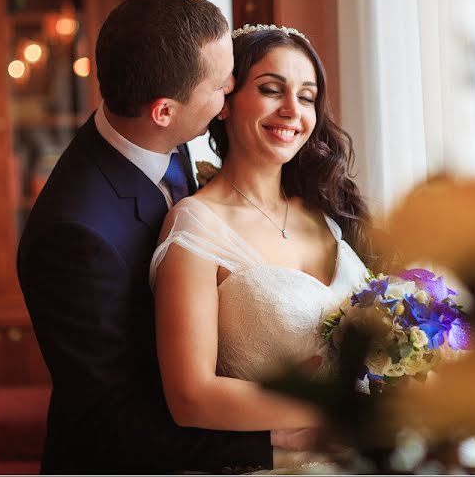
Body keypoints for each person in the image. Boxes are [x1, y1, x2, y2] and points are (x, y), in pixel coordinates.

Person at [17, 0, 274, 474]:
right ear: (163, 111)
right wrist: (272, 442)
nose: (231, 94)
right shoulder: (74, 238)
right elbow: (111, 422)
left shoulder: (161, 139)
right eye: (221, 86)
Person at [150, 24, 375, 469]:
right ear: (225, 103)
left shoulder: (327, 212)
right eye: (272, 90)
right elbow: (190, 396)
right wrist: (339, 410)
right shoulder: (197, 224)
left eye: (307, 97)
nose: (292, 110)